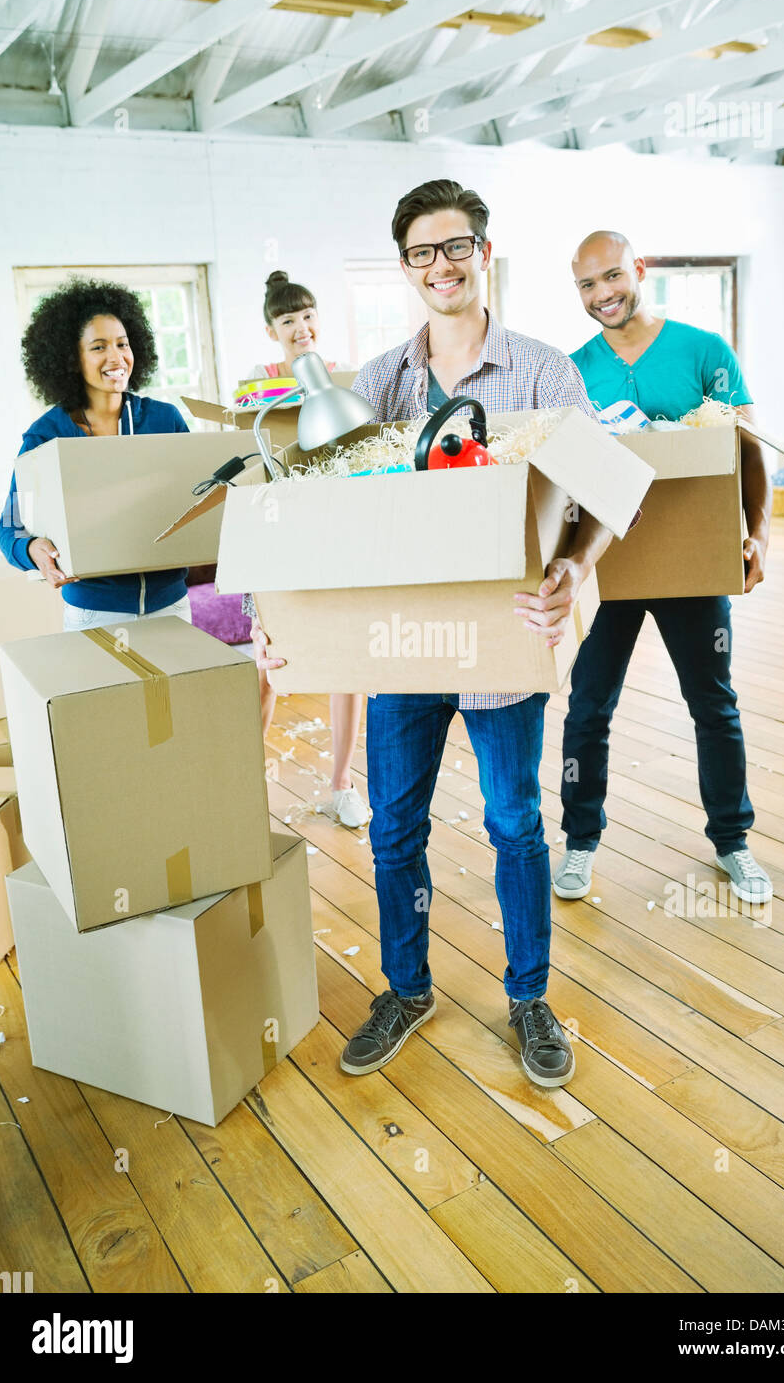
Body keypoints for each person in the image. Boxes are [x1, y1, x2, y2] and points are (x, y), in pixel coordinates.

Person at [259, 178, 618, 1088]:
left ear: (483, 253)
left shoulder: (542, 370)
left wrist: (575, 568)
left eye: (455, 246)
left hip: (502, 638)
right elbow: (309, 515)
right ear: (406, 267)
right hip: (403, 642)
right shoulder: (379, 383)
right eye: (421, 252)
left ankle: (529, 997)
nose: (440, 266)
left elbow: (606, 490)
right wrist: (283, 625)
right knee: (393, 831)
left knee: (514, 823)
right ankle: (406, 988)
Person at [553, 230, 773, 907]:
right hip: (607, 565)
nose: (602, 295)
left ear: (638, 270)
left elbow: (747, 450)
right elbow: (560, 480)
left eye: (612, 277)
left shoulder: (703, 352)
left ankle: (732, 840)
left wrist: (758, 533)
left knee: (713, 703)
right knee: (586, 706)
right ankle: (579, 840)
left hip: (690, 562)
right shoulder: (571, 369)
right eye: (587, 285)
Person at [245, 271, 369, 830]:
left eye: (307, 316)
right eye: (288, 320)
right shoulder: (260, 387)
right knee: (270, 662)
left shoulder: (342, 380)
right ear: (272, 330)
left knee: (348, 663)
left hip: (340, 531)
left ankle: (342, 784)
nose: (301, 328)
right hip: (279, 536)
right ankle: (243, 780)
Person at [0, 276, 192, 630]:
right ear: (71, 358)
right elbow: (9, 526)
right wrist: (31, 551)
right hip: (95, 612)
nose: (116, 357)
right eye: (99, 347)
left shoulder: (165, 419)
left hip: (172, 604)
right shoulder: (46, 435)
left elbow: (199, 500)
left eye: (123, 343)